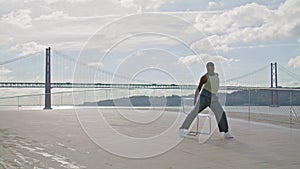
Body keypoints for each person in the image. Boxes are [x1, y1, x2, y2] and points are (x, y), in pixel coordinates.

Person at [179, 62, 234, 139]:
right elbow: (199, 88)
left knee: (221, 112)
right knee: (194, 112)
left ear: (214, 68)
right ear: (207, 69)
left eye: (211, 69)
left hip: (213, 98)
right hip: (204, 97)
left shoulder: (217, 75)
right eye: (208, 69)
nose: (210, 70)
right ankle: (182, 129)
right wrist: (195, 100)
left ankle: (226, 132)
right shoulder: (204, 77)